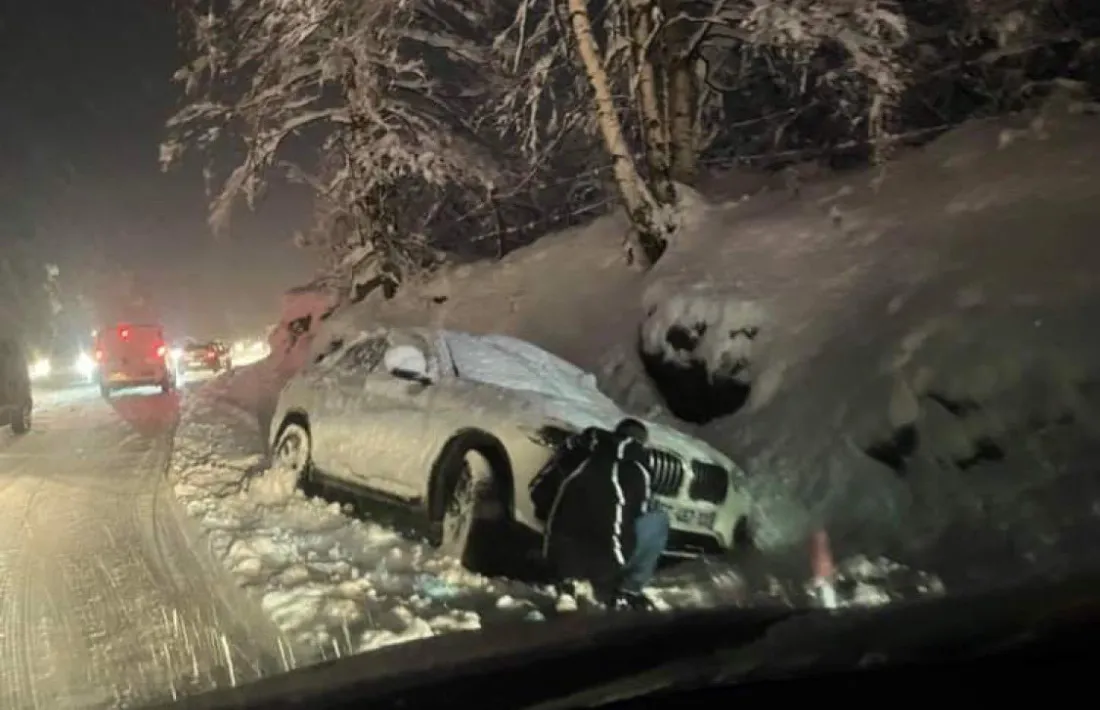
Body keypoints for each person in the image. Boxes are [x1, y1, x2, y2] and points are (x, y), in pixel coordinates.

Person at [529, 417, 670, 610]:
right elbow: (638, 513)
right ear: (642, 442)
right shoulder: (639, 468)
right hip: (607, 564)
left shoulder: (580, 451)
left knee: (567, 508)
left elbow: (538, 490)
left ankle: (567, 580)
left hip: (558, 556)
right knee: (658, 518)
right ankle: (628, 591)